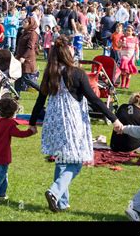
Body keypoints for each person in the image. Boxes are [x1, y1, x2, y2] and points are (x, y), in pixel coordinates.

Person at [29, 36, 122, 212]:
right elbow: (94, 99)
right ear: (67, 51)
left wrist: (33, 123)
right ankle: (55, 191)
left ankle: (61, 202)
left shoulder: (51, 72)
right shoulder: (76, 72)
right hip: (72, 121)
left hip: (54, 121)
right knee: (78, 161)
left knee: (62, 161)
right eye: (71, 47)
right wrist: (113, 118)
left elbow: (40, 100)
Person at [0, 97, 37, 204]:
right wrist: (30, 132)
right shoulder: (10, 124)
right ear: (13, 113)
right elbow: (20, 134)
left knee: (2, 174)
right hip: (2, 155)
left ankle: (1, 194)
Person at [14, 17, 39, 96]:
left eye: (25, 22)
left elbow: (30, 47)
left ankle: (42, 90)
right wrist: (17, 55)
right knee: (17, 77)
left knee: (26, 78)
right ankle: (16, 95)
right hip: (20, 57)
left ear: (30, 24)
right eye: (23, 21)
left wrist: (23, 57)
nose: (23, 23)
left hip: (27, 59)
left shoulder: (33, 34)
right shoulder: (24, 32)